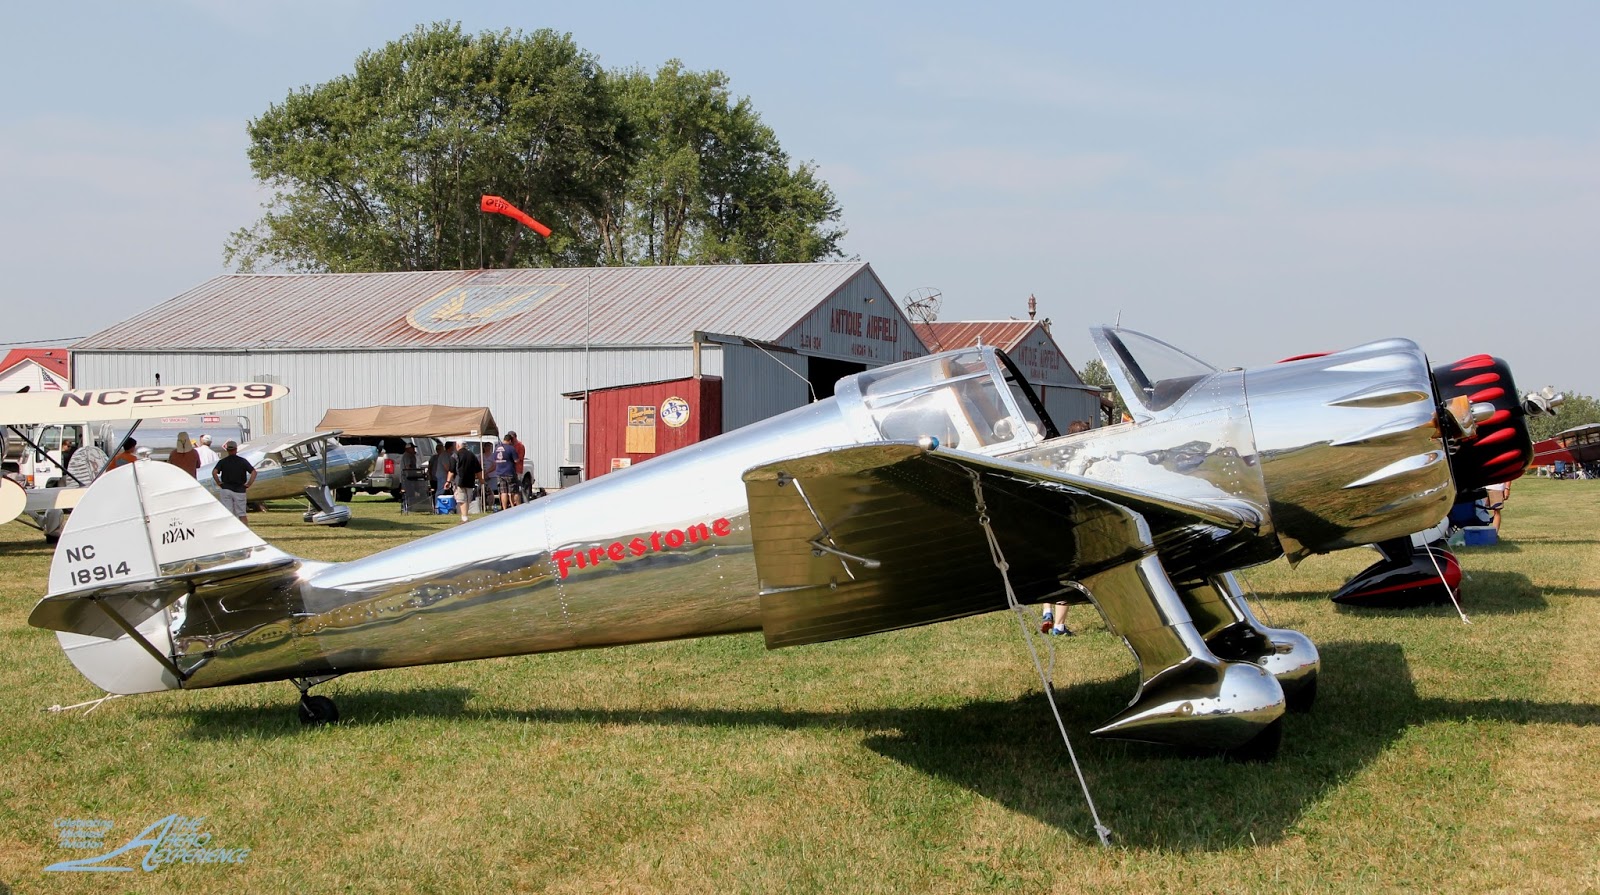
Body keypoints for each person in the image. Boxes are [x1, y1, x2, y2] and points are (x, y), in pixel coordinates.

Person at [211, 440, 257, 523]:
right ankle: (244, 531)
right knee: (242, 514)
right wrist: (249, 484)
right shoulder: (243, 461)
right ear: (236, 449)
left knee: (228, 513)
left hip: (226, 489)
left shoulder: (223, 461)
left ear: (227, 450)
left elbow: (214, 472)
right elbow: (254, 472)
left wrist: (219, 482)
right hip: (240, 489)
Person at [445, 440, 481, 523]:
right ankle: (465, 516)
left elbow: (451, 471)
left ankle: (464, 518)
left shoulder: (455, 455)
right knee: (467, 500)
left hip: (459, 482)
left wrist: (448, 481)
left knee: (462, 500)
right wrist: (481, 480)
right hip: (470, 481)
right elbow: (478, 470)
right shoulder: (472, 455)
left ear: (458, 446)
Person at [491, 434, 519, 512]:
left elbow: (494, 460)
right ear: (510, 441)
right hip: (510, 472)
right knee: (513, 491)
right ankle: (515, 507)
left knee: (503, 492)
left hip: (500, 473)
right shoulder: (511, 448)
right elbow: (516, 460)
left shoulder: (496, 448)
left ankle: (504, 509)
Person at [507, 430, 526, 506]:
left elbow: (520, 458)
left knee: (516, 489)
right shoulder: (509, 446)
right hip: (509, 470)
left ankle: (518, 504)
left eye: (511, 438)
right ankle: (511, 504)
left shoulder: (520, 446)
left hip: (517, 470)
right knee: (509, 490)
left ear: (514, 437)